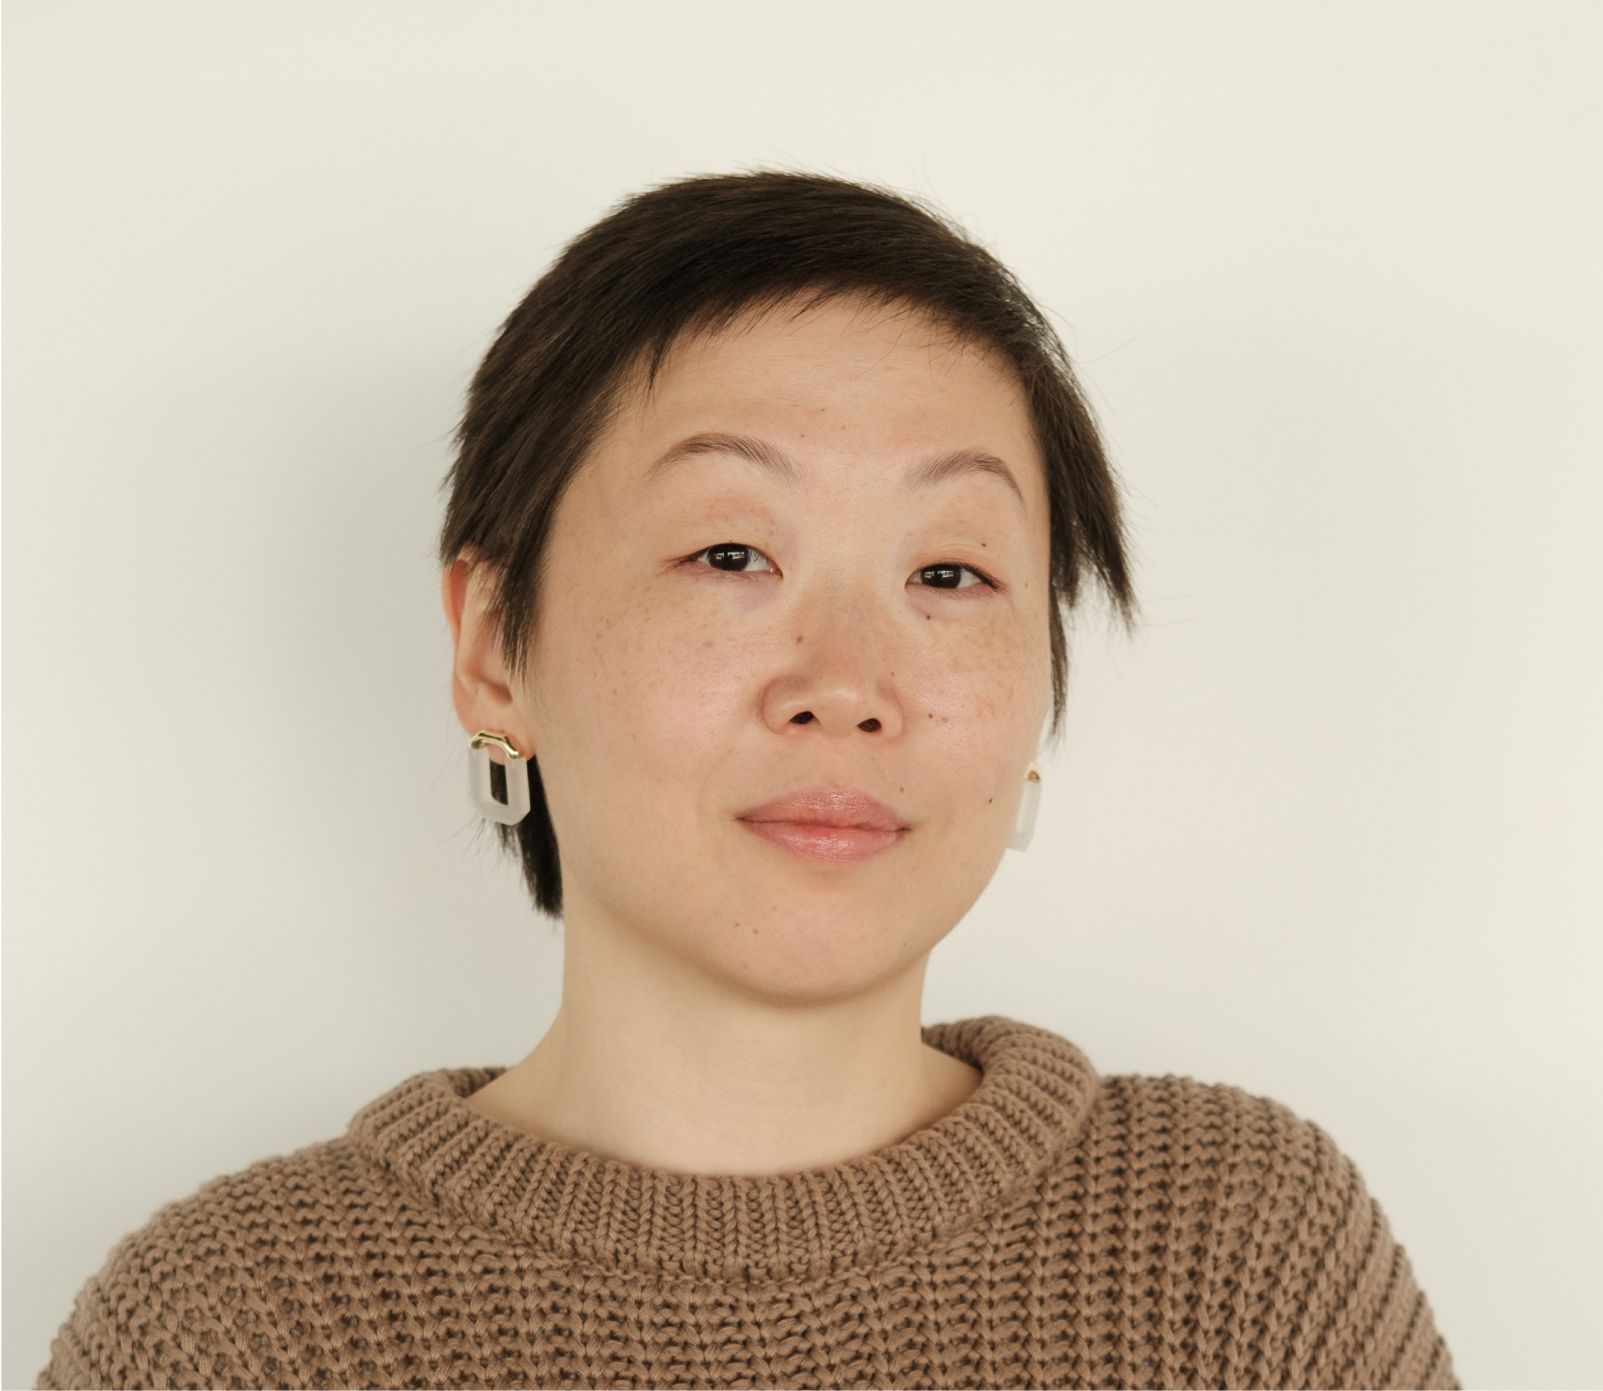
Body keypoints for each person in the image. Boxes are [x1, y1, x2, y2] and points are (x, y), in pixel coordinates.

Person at [36, 168, 1459, 1390]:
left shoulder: (1237, 1250)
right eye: (733, 555)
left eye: (950, 573)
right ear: (490, 648)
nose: (846, 682)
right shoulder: (237, 1331)